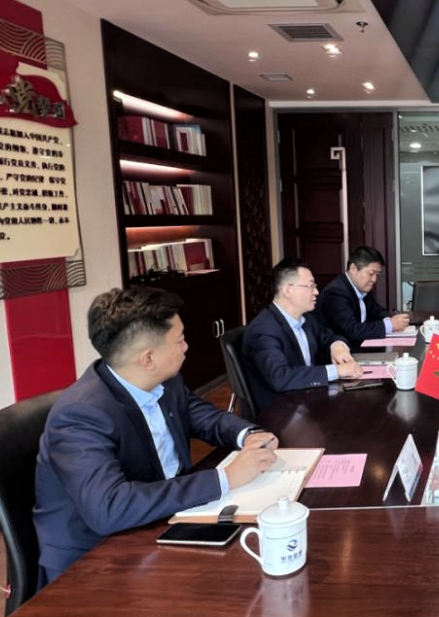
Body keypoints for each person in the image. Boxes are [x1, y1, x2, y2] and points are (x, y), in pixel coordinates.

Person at [34, 287, 278, 583]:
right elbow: (109, 508)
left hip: (162, 521)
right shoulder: (80, 415)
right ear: (148, 358)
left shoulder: (163, 380)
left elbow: (200, 414)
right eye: (179, 339)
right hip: (95, 560)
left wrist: (247, 434)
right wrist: (226, 477)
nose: (186, 346)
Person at [243, 258, 362, 410]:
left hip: (308, 398)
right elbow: (280, 377)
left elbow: (329, 337)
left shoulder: (307, 319)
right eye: (310, 286)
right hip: (281, 411)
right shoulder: (263, 330)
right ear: (287, 290)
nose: (316, 292)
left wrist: (337, 345)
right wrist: (335, 371)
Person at [315, 246, 410, 348]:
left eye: (377, 275)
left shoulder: (362, 287)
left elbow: (377, 312)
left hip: (360, 348)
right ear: (353, 269)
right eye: (371, 274)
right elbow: (352, 330)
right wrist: (390, 325)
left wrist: (393, 319)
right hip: (339, 352)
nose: (374, 279)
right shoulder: (336, 292)